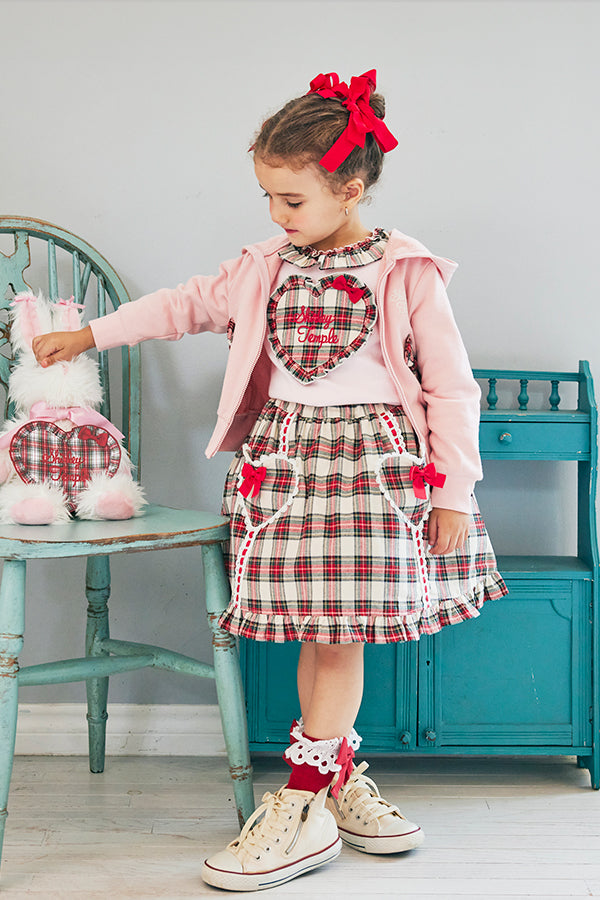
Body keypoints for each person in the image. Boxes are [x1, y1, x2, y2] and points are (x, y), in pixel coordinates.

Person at [33, 69, 508, 893]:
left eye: (291, 199)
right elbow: (182, 306)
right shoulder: (264, 267)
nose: (276, 214)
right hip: (286, 471)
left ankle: (301, 798)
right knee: (318, 629)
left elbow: (451, 388)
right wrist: (90, 336)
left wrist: (454, 492)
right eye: (267, 196)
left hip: (373, 475)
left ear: (349, 188)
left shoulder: (405, 270)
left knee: (342, 633)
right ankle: (334, 780)